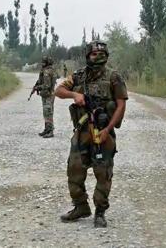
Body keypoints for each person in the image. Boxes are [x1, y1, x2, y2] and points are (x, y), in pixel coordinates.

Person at [55, 41, 128, 228]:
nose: (98, 57)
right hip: (82, 133)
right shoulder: (79, 76)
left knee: (103, 173)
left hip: (103, 133)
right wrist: (74, 95)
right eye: (94, 54)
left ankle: (100, 212)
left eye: (101, 53)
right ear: (88, 56)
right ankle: (81, 207)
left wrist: (107, 129)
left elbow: (121, 105)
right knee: (74, 170)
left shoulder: (114, 77)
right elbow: (59, 91)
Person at [35, 55, 58, 138]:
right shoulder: (51, 70)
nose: (42, 63)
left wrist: (38, 87)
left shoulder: (47, 72)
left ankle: (50, 131)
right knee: (47, 112)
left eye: (44, 62)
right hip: (48, 94)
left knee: (48, 112)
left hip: (48, 94)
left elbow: (47, 85)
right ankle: (47, 129)